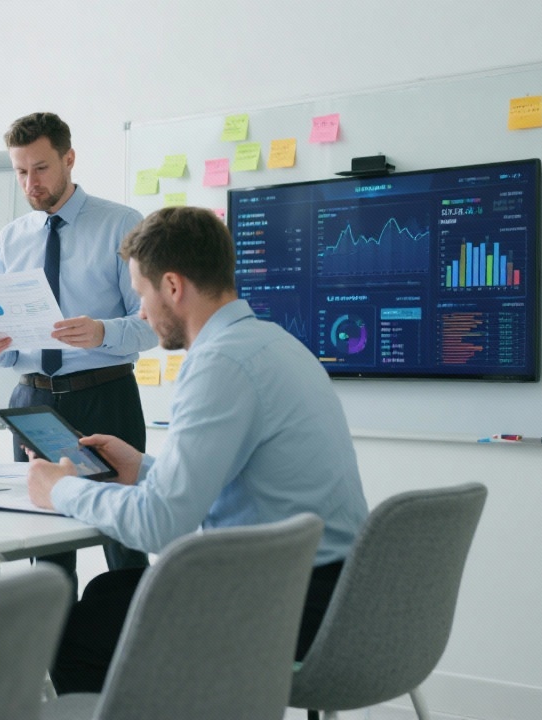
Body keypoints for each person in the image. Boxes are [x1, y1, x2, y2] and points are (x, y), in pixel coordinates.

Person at [26, 206, 370, 694]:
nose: (141, 313)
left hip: (285, 606)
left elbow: (161, 524)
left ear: (172, 286)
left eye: (141, 294)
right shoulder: (273, 342)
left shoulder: (219, 363)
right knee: (110, 596)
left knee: (81, 633)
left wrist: (61, 491)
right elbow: (239, 480)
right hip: (333, 591)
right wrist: (143, 468)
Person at [0, 111, 156, 582]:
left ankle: (131, 650)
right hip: (32, 401)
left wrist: (103, 333)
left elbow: (152, 324)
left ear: (69, 159)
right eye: (20, 171)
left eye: (41, 168)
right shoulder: (10, 239)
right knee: (44, 546)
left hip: (105, 395)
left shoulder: (121, 225)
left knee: (124, 537)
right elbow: (12, 346)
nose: (30, 183)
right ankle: (58, 656)